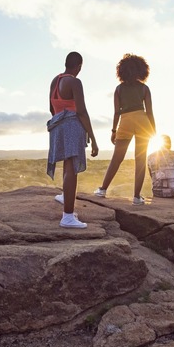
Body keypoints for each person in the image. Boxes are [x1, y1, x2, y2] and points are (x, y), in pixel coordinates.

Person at [94, 54, 155, 205]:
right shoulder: (144, 89)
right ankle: (136, 197)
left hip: (125, 121)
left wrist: (113, 130)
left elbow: (116, 112)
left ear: (122, 71)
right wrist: (154, 130)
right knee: (140, 159)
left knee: (117, 158)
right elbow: (150, 112)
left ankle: (102, 189)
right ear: (141, 70)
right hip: (142, 121)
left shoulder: (119, 89)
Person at [47, 51, 99, 228]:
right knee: (72, 168)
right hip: (72, 125)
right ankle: (67, 217)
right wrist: (92, 136)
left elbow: (51, 107)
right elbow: (82, 111)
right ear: (79, 66)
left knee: (66, 164)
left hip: (58, 124)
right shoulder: (75, 82)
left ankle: (65, 196)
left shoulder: (56, 80)